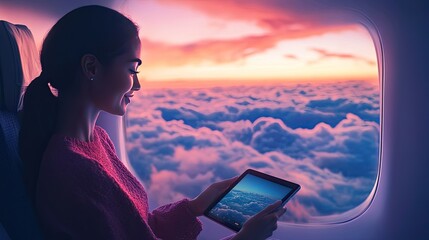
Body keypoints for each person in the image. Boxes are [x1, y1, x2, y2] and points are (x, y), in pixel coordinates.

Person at [18, 5, 286, 240]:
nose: (137, 84)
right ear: (91, 68)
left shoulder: (98, 140)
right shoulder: (75, 169)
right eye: (132, 69)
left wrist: (196, 205)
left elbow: (138, 228)